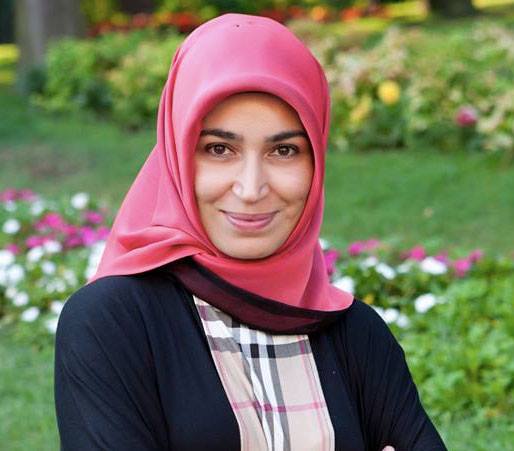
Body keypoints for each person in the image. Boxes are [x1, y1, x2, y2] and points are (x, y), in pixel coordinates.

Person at [54, 13, 447, 451]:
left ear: (316, 161)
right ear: (177, 155)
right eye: (219, 149)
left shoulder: (356, 334)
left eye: (284, 150)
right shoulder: (113, 323)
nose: (251, 188)